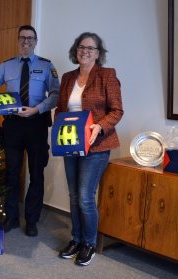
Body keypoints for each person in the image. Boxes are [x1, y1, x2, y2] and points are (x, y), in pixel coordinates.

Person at [0, 25, 60, 237]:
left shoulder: (46, 66)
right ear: (17, 40)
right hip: (12, 126)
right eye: (22, 38)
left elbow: (56, 95)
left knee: (36, 173)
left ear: (36, 41)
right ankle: (11, 218)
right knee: (11, 173)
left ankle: (32, 220)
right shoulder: (7, 66)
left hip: (37, 124)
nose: (26, 42)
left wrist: (36, 109)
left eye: (30, 38)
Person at [56, 32, 123, 266]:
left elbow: (116, 111)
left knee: (85, 197)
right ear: (76, 51)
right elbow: (61, 110)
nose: (86, 51)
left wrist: (99, 127)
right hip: (71, 145)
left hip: (96, 146)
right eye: (82, 47)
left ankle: (89, 243)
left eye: (91, 48)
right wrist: (57, 132)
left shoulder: (107, 76)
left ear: (98, 53)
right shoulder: (67, 78)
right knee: (73, 196)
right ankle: (76, 239)